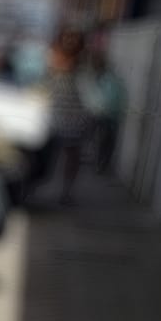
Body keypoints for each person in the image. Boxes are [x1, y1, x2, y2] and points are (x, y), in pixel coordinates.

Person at [44, 27, 92, 206]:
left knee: (72, 155)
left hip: (75, 116)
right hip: (54, 114)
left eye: (74, 39)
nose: (70, 42)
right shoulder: (51, 60)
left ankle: (66, 191)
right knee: (51, 153)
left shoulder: (83, 66)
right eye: (67, 38)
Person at [82, 33, 127, 177]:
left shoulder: (108, 80)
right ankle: (99, 163)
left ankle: (100, 164)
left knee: (104, 142)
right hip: (105, 116)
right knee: (103, 141)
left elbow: (107, 101)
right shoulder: (106, 79)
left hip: (107, 116)